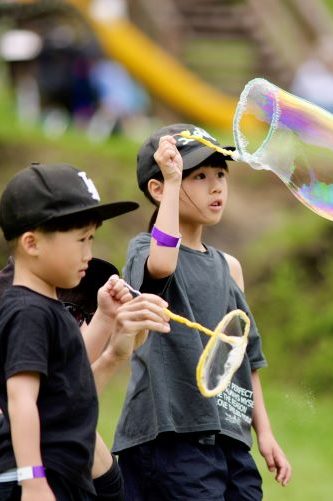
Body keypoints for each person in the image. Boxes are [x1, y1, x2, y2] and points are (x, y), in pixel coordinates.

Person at [113, 124, 292, 500]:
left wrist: (265, 434)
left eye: (220, 175)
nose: (216, 187)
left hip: (228, 435)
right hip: (172, 436)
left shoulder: (230, 268)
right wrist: (174, 183)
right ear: (159, 189)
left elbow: (243, 358)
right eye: (199, 176)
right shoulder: (146, 250)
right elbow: (162, 265)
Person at [0, 257, 171, 501]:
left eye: (87, 317)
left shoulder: (57, 410)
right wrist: (111, 358)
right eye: (67, 313)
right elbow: (47, 450)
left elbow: (111, 490)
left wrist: (110, 340)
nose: (82, 332)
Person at [0, 162, 148, 500]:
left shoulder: (50, 310)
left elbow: (72, 381)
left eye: (92, 239)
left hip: (63, 476)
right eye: (80, 240)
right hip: (31, 480)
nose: (89, 254)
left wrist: (108, 325)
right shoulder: (26, 311)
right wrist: (32, 480)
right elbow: (22, 400)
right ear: (31, 243)